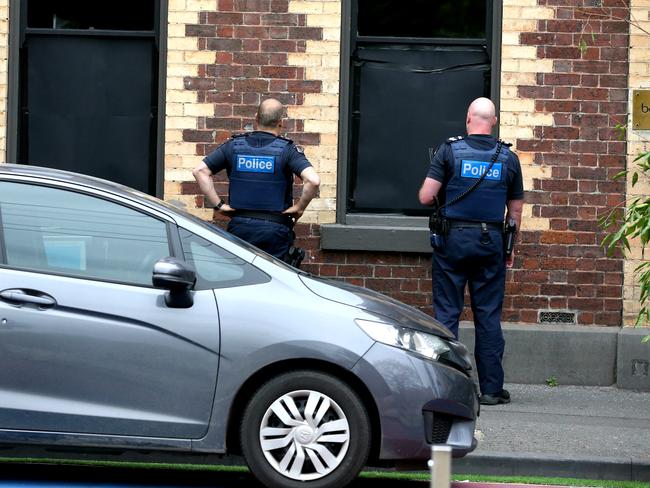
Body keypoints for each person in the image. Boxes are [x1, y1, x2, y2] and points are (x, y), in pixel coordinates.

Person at [418, 97, 524, 406]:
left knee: (448, 313)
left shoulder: (449, 151)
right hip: (491, 241)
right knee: (488, 315)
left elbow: (426, 196)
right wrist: (509, 248)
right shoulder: (508, 158)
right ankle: (491, 389)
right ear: (493, 122)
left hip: (452, 241)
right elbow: (514, 212)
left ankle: (447, 386)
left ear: (468, 119)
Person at [192, 98, 320, 260]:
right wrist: (300, 207)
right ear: (280, 123)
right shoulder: (288, 150)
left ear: (256, 119)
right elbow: (313, 180)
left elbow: (200, 171)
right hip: (275, 231)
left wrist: (219, 205)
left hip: (240, 228)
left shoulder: (234, 146)